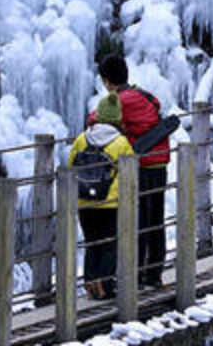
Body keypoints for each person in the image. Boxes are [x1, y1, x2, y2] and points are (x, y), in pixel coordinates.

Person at [94, 55, 169, 287]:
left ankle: (134, 275)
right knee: (155, 219)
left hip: (142, 166)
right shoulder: (143, 94)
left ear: (107, 81)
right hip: (159, 162)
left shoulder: (119, 100)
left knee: (138, 220)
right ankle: (154, 273)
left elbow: (96, 120)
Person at [68, 93, 134, 300]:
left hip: (84, 202)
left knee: (92, 243)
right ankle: (105, 284)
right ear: (117, 118)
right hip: (110, 204)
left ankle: (89, 282)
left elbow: (71, 164)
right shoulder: (121, 142)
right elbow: (131, 170)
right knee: (109, 243)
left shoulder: (82, 138)